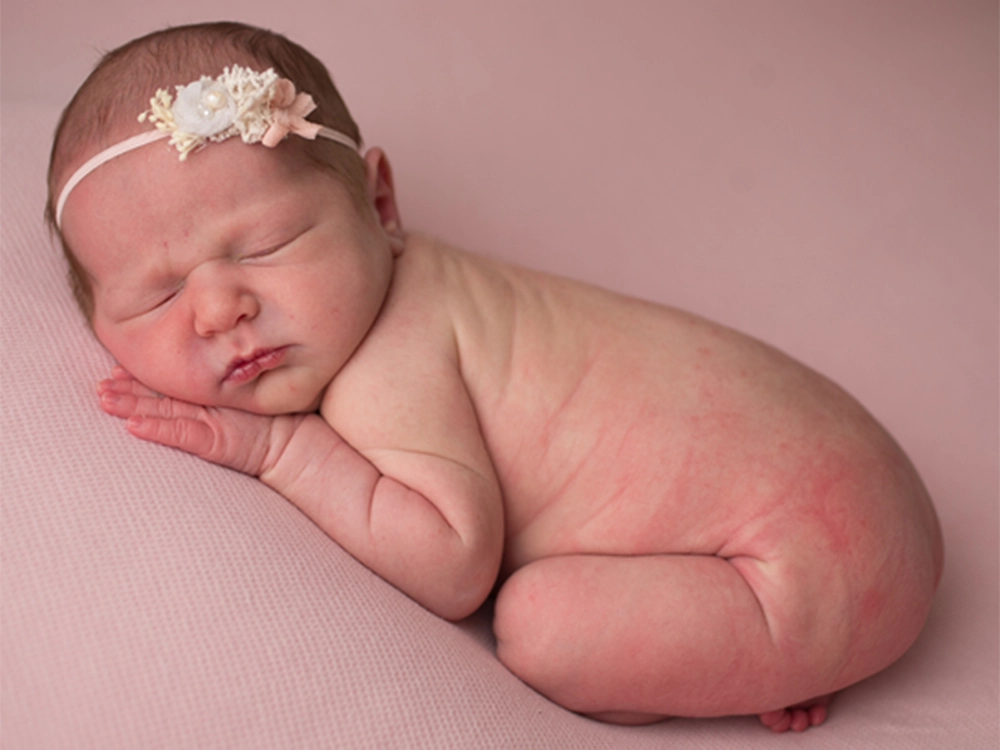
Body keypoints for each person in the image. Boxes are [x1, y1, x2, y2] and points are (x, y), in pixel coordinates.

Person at [47, 21, 943, 733]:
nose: (217, 312)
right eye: (157, 296)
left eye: (269, 246)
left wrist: (282, 450)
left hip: (797, 563)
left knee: (538, 627)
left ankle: (786, 648)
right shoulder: (435, 283)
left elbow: (450, 568)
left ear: (381, 206)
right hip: (854, 491)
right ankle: (784, 644)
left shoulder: (389, 363)